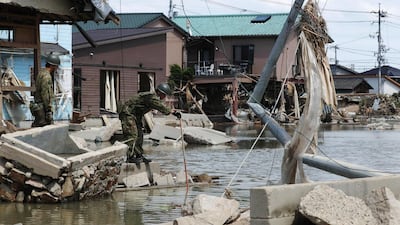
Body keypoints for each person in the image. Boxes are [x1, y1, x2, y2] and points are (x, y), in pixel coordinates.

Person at [118, 83, 178, 164]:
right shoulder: (151, 96)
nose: (165, 97)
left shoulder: (153, 97)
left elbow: (160, 106)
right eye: (164, 95)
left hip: (136, 115)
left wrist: (171, 112)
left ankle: (139, 155)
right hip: (127, 114)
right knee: (132, 135)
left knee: (140, 135)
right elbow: (160, 106)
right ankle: (130, 157)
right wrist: (170, 111)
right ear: (160, 92)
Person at [30, 54, 60, 127]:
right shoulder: (47, 77)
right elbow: (45, 94)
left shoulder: (41, 73)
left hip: (38, 107)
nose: (57, 68)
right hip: (42, 109)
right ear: (52, 66)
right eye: (56, 66)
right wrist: (48, 110)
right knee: (45, 131)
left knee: (38, 127)